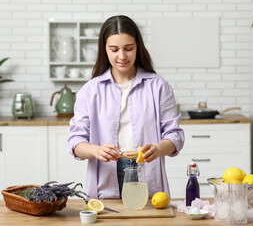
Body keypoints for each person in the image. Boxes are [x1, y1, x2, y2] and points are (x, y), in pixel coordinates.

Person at [67, 15, 184, 199]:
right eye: (114, 49)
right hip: (105, 178)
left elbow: (175, 136)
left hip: (147, 173)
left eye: (128, 48)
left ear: (138, 47)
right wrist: (96, 150)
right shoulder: (90, 91)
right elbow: (75, 141)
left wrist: (158, 149)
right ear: (104, 49)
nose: (122, 56)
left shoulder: (158, 86)